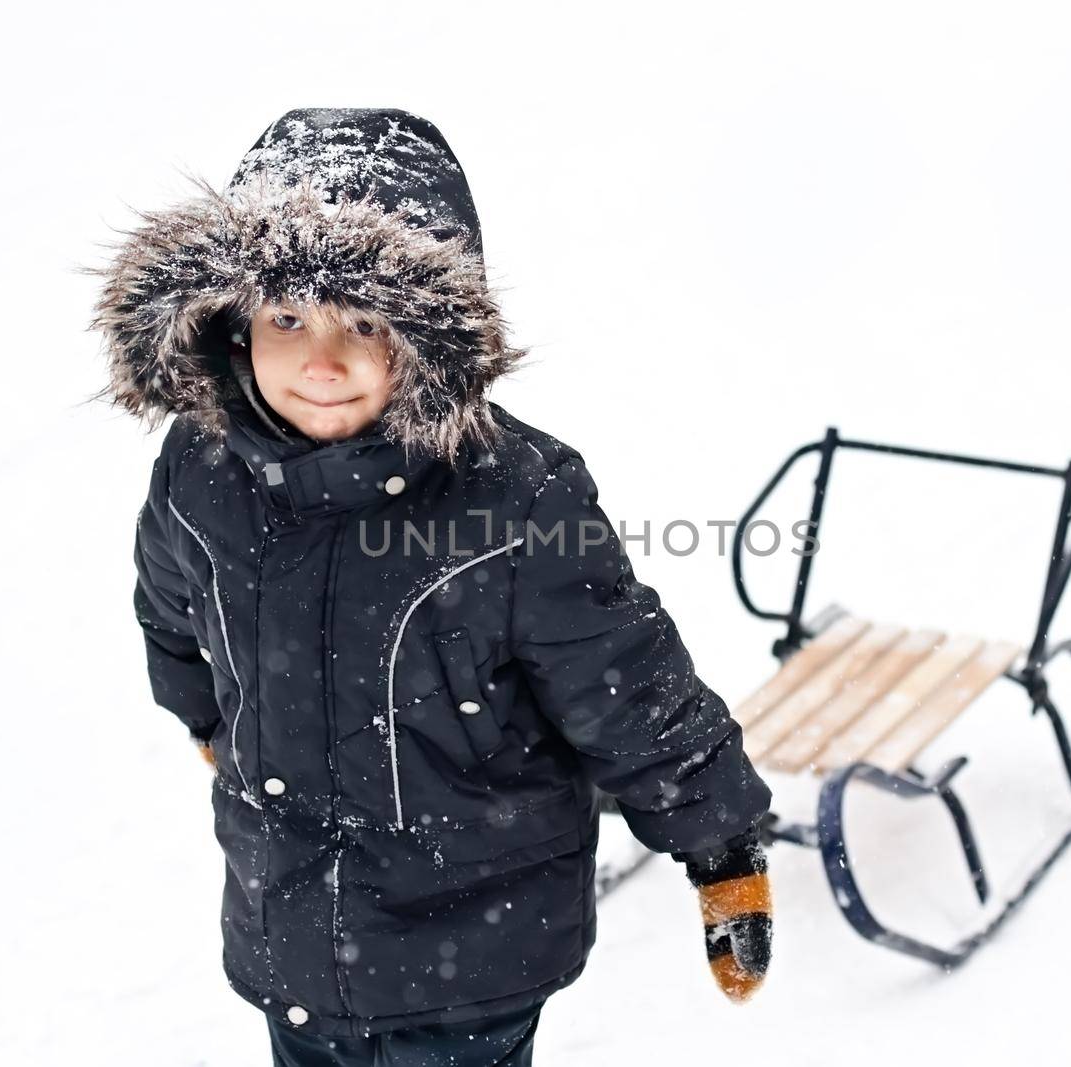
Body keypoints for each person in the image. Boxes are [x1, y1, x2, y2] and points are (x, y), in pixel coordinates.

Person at [87, 107, 774, 1066]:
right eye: (286, 318)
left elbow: (623, 679)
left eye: (364, 321)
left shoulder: (518, 498)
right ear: (232, 322)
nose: (321, 359)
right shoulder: (201, 471)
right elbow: (170, 612)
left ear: (426, 336)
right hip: (286, 929)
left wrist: (722, 846)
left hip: (475, 953)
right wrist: (209, 724)